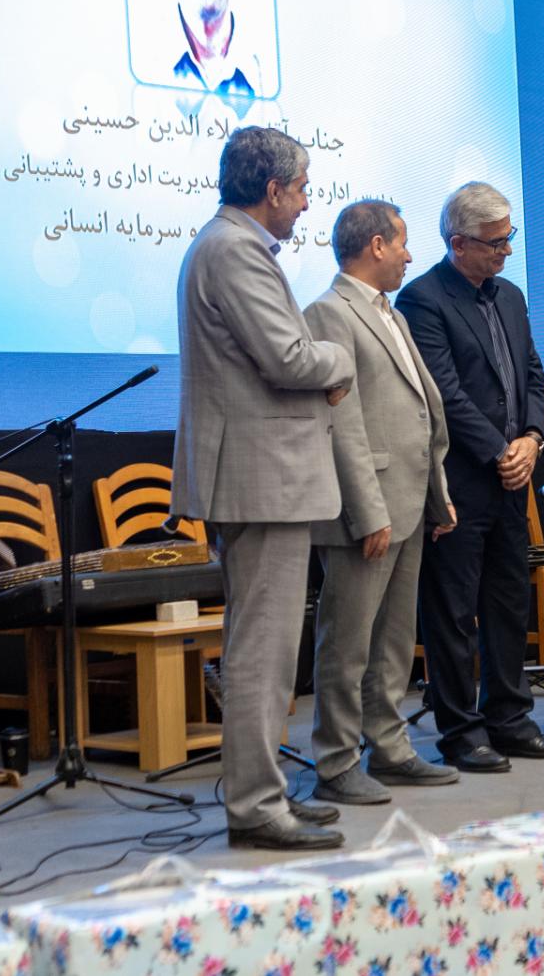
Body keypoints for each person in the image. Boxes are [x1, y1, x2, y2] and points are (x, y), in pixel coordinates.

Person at [171, 126, 353, 850]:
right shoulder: (235, 249)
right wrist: (342, 357)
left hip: (262, 475)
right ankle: (254, 806)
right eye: (302, 189)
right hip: (261, 478)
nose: (307, 204)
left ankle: (263, 792)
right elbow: (288, 357)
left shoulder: (230, 244)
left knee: (267, 646)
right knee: (262, 649)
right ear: (272, 190)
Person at [397, 183, 544, 773]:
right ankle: (460, 731)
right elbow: (444, 393)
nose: (507, 251)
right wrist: (500, 450)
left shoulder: (511, 296)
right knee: (452, 612)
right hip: (458, 482)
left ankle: (510, 719)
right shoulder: (422, 300)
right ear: (458, 243)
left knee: (508, 602)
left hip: (512, 479)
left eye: (509, 238)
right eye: (496, 243)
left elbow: (534, 376)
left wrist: (533, 439)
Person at [302, 201, 461, 804]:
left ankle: (389, 750)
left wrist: (437, 496)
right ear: (375, 245)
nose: (409, 256)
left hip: (409, 501)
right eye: (401, 243)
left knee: (394, 640)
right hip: (365, 510)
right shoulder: (329, 311)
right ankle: (336, 762)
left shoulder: (388, 311)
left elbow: (420, 410)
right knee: (347, 644)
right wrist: (367, 512)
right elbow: (341, 423)